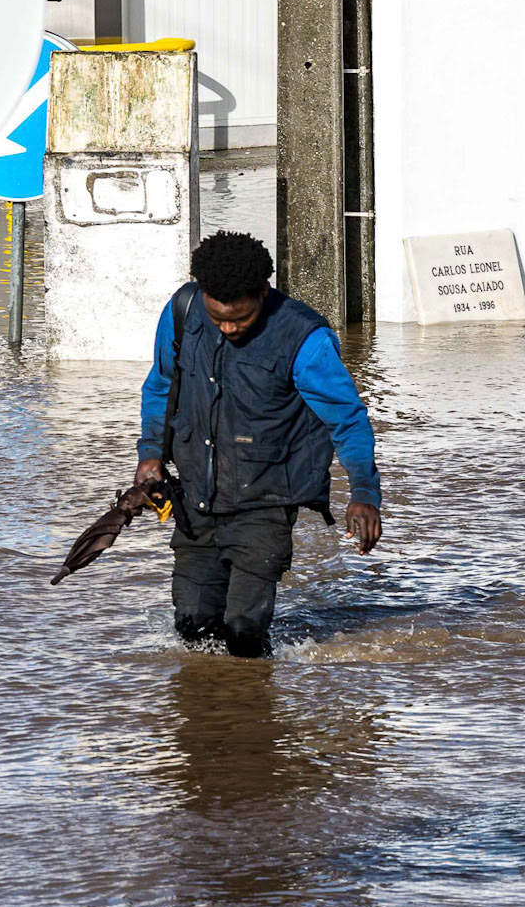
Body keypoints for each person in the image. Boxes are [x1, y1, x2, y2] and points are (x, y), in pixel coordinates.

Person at [135, 230, 382, 658]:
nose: (228, 328)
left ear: (263, 294)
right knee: (192, 626)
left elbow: (347, 418)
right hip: (196, 498)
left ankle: (260, 709)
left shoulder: (305, 338)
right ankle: (217, 714)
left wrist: (363, 492)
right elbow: (160, 387)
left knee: (244, 629)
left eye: (241, 319)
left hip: (267, 500)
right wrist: (151, 453)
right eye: (219, 319)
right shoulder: (183, 309)